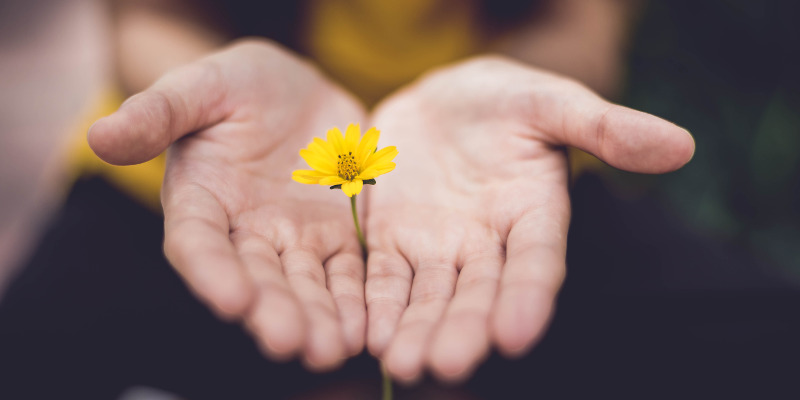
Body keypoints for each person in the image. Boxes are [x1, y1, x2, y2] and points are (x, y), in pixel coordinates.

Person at [2, 0, 797, 398]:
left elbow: (579, 29)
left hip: (490, 186)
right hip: (219, 185)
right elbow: (140, 18)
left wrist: (522, 86)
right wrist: (215, 89)